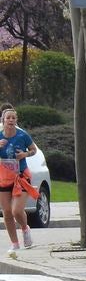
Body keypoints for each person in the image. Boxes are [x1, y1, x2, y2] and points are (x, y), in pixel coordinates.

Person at [0, 107, 38, 258]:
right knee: (7, 212)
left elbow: (34, 150)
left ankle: (25, 228)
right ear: (3, 120)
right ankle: (15, 243)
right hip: (3, 177)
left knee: (16, 210)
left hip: (21, 176)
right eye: (8, 118)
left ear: (16, 120)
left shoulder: (22, 135)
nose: (11, 120)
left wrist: (25, 154)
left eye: (13, 118)